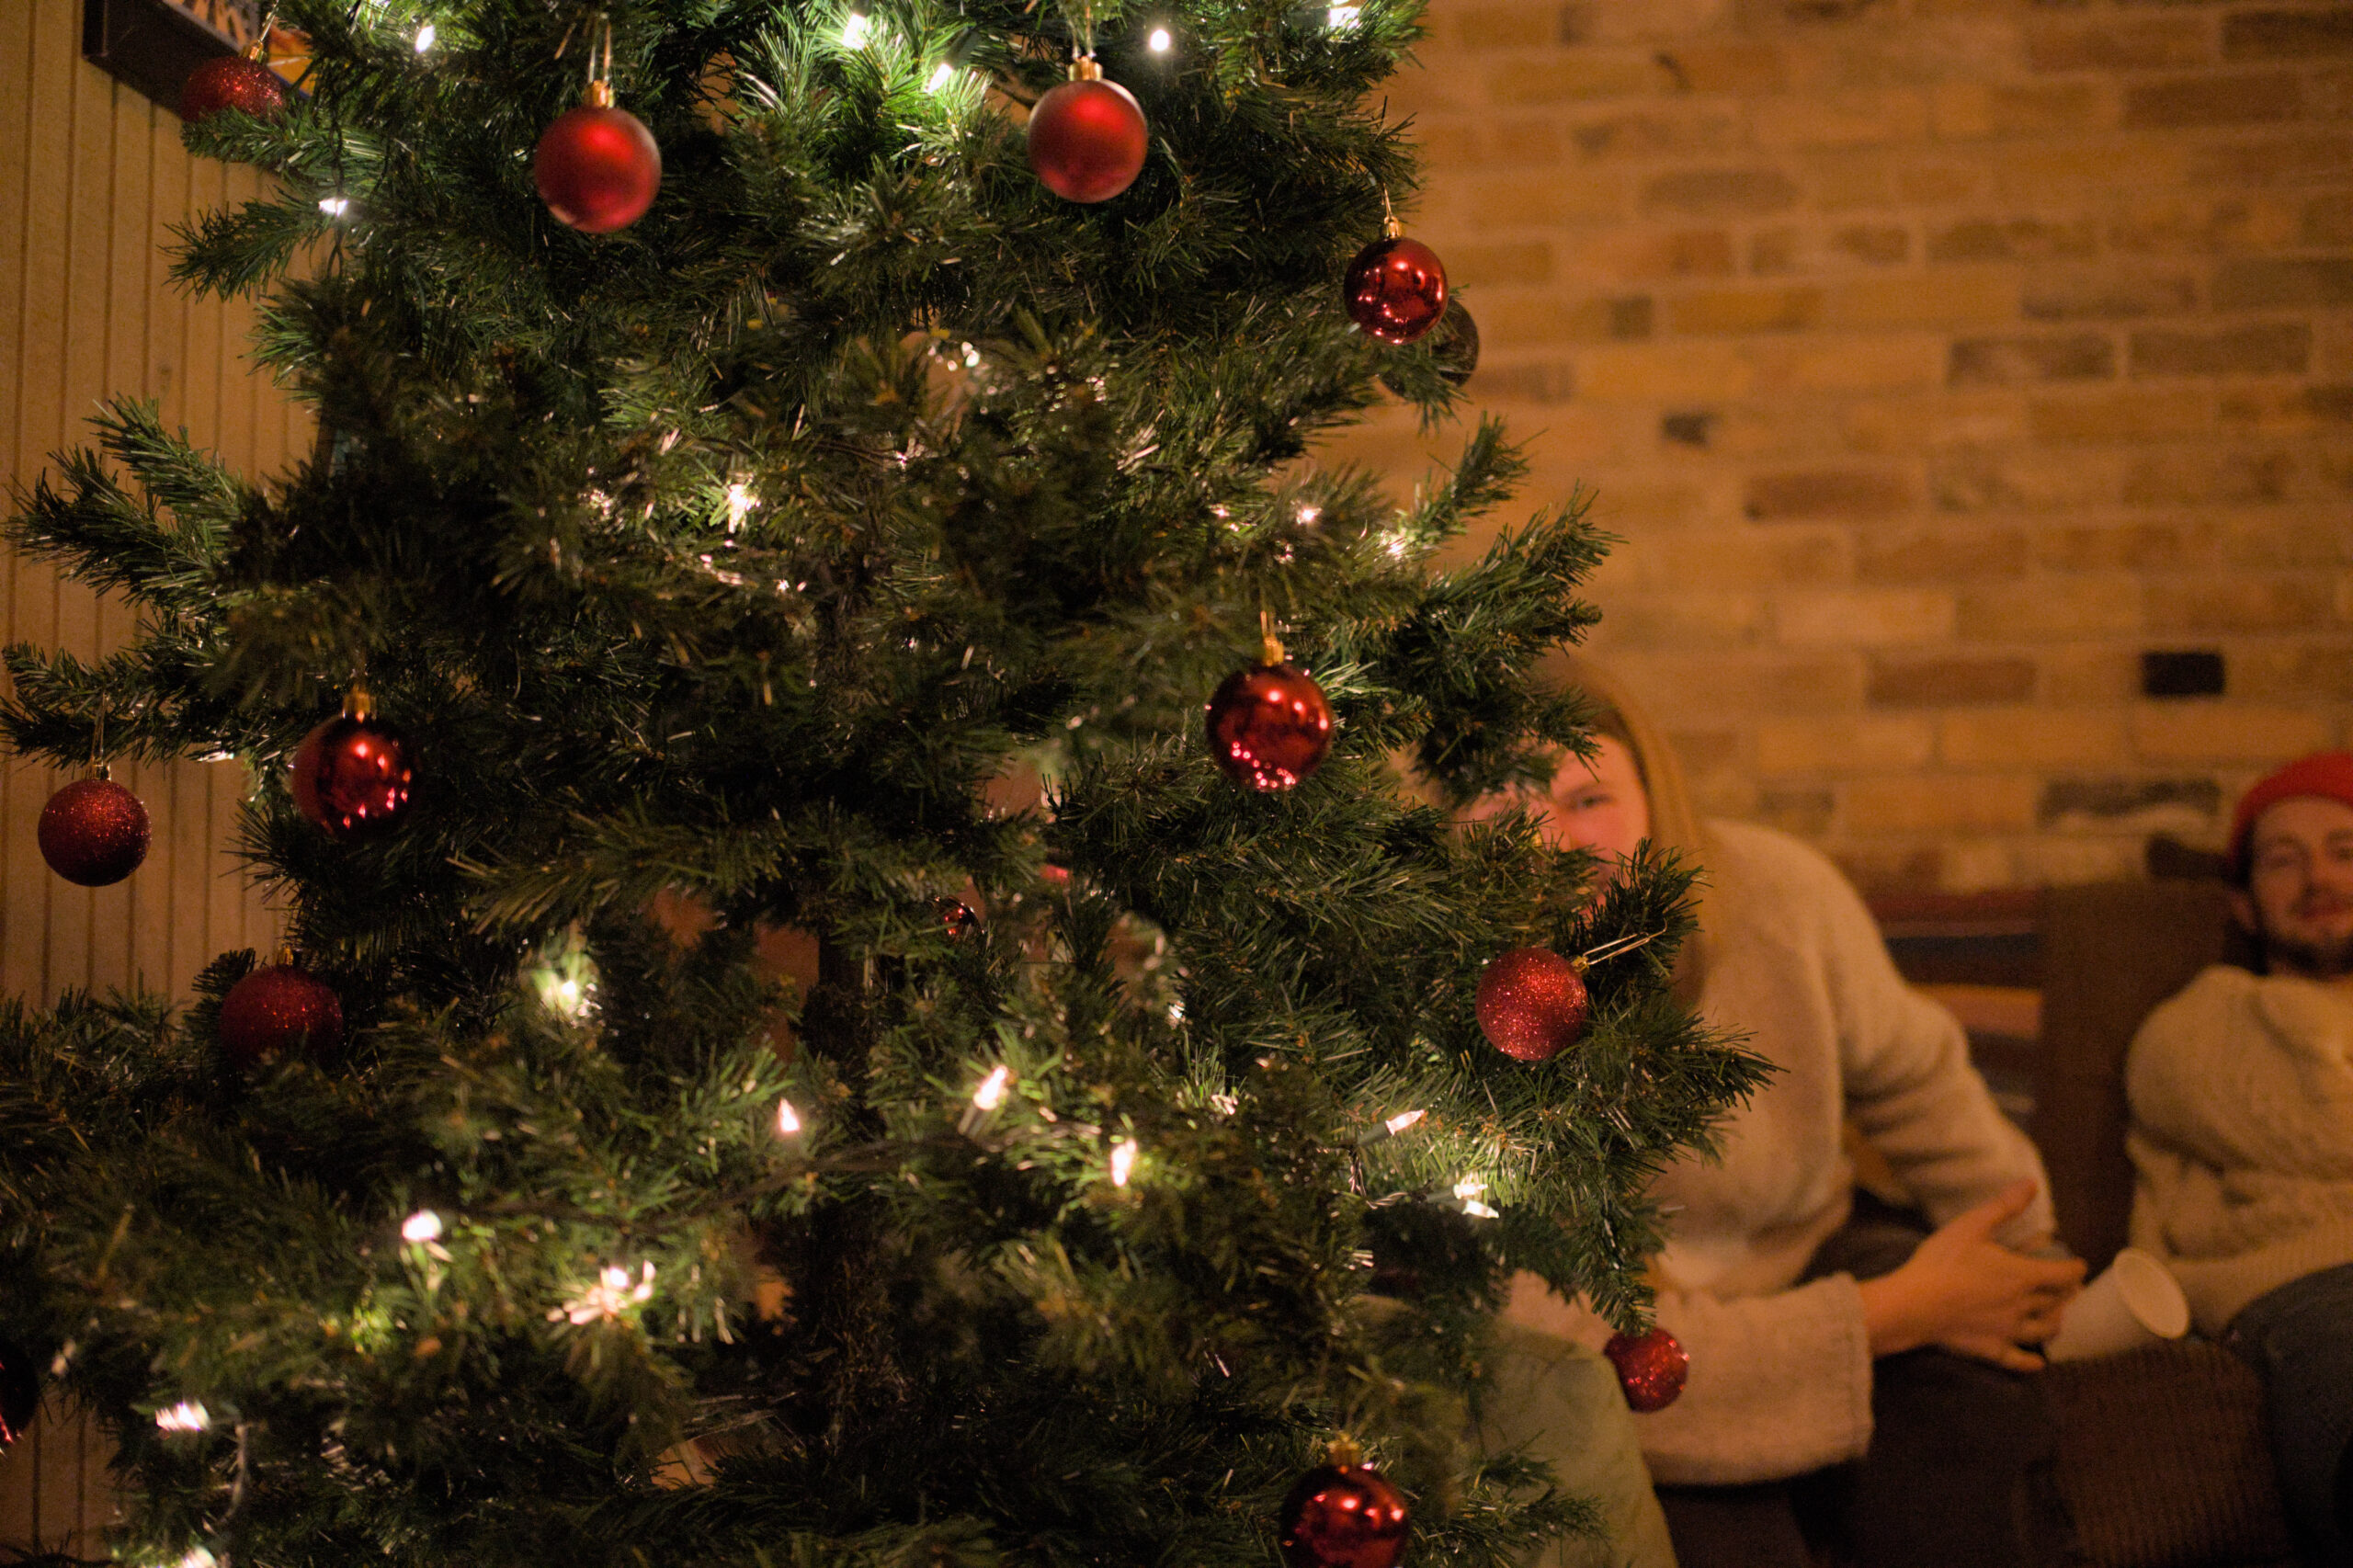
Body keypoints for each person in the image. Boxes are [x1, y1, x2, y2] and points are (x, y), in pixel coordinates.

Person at [1490, 656, 2085, 1568]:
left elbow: (1919, 1085)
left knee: (1969, 1417)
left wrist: (2025, 1263)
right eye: (1507, 816)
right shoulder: (1444, 1015)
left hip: (1811, 1250)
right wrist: (1904, 1309)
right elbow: (1584, 1353)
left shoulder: (1779, 891)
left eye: (1588, 799)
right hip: (1644, 1342)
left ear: (1652, 796)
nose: (1558, 848)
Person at [2125, 751, 2353, 1564]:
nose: (2319, 877)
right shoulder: (2200, 1025)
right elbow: (2321, 1137)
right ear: (2243, 904)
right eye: (2283, 860)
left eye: (2345, 851)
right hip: (2307, 1289)